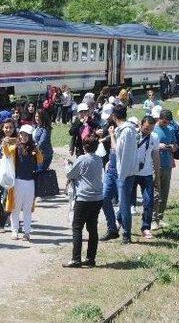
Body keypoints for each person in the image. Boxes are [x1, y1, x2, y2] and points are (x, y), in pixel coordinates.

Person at [63, 137, 104, 268]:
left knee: (77, 228)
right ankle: (91, 258)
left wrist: (67, 165)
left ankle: (76, 259)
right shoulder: (99, 159)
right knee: (92, 228)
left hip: (84, 198)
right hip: (97, 198)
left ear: (84, 146)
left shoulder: (82, 159)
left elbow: (70, 175)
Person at [2, 124, 43, 241]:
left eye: (26, 135)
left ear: (30, 136)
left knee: (27, 209)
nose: (23, 137)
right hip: (17, 181)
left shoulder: (34, 148)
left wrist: (37, 150)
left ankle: (27, 232)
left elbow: (40, 161)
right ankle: (14, 231)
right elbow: (7, 153)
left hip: (30, 182)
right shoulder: (15, 147)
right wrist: (4, 143)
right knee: (15, 208)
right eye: (22, 134)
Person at [109, 104, 138, 244]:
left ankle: (127, 234)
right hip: (131, 170)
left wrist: (111, 135)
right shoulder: (131, 128)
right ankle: (120, 221)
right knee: (123, 203)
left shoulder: (124, 131)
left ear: (114, 116)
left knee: (124, 204)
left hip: (124, 172)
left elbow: (116, 149)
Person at [132, 116, 160, 239]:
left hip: (147, 174)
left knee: (149, 202)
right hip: (132, 173)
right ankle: (120, 221)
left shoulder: (154, 137)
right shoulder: (133, 135)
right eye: (146, 128)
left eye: (151, 129)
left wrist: (157, 175)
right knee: (127, 201)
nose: (148, 131)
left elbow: (155, 156)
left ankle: (146, 227)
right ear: (141, 124)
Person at [153, 109, 176, 229]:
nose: (166, 124)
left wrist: (172, 147)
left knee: (164, 193)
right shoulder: (153, 129)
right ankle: (152, 219)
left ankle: (160, 218)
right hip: (155, 165)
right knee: (155, 193)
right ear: (160, 118)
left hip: (167, 164)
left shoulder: (171, 129)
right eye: (164, 122)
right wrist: (158, 145)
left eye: (168, 122)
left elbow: (175, 145)